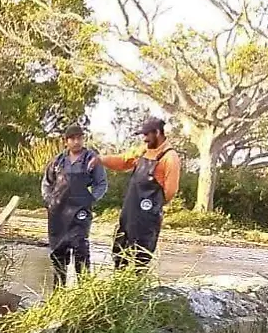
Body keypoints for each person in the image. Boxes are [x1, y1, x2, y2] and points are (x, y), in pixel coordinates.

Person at [101, 117, 181, 270]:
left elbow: (170, 191)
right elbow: (123, 161)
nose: (144, 139)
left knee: (141, 255)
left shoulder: (170, 158)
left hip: (148, 216)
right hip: (130, 211)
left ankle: (137, 286)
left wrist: (153, 205)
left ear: (157, 133)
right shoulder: (142, 151)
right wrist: (101, 160)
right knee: (120, 248)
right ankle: (120, 283)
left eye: (146, 135)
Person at [41, 123, 108, 288]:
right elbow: (46, 182)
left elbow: (101, 183)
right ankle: (58, 294)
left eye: (79, 138)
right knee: (58, 252)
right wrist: (49, 201)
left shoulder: (91, 159)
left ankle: (84, 292)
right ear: (66, 141)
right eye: (73, 138)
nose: (76, 142)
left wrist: (91, 199)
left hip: (80, 212)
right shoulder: (58, 161)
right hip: (58, 213)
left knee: (80, 250)